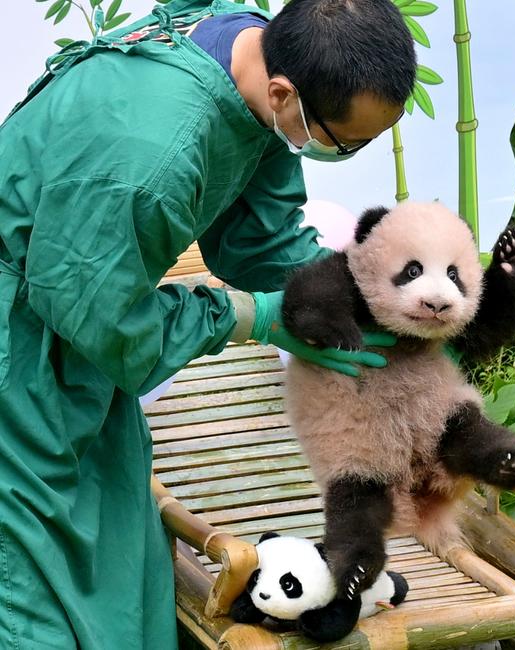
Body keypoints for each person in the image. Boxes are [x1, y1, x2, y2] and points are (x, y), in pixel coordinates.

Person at [0, 0, 415, 646]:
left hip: (76, 338)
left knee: (124, 578)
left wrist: (347, 295)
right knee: (32, 602)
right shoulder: (156, 159)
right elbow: (109, 323)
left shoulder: (251, 54)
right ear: (285, 94)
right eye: (346, 141)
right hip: (22, 350)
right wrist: (249, 316)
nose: (353, 152)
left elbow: (258, 234)